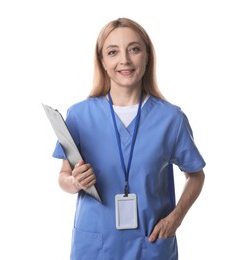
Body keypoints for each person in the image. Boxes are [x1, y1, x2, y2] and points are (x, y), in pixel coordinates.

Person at [52, 17, 206, 260]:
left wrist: (175, 219)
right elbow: (63, 177)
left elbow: (196, 175)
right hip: (94, 245)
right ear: (102, 61)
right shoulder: (79, 115)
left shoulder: (171, 119)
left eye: (134, 49)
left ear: (147, 56)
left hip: (151, 244)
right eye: (113, 52)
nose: (124, 59)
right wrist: (75, 182)